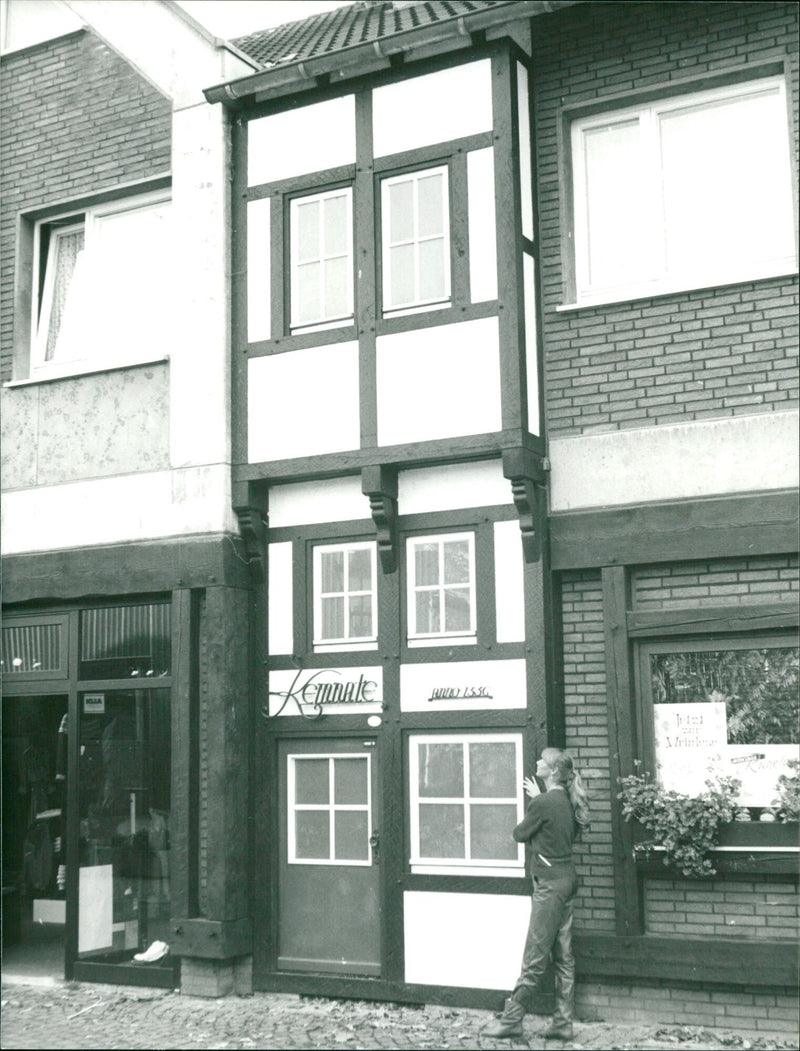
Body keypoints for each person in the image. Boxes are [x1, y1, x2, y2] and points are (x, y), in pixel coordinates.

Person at [484, 747, 590, 1041]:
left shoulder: (543, 803)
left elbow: (519, 834)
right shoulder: (567, 800)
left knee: (535, 952)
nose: (537, 762)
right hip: (567, 881)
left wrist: (536, 801)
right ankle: (562, 1023)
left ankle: (512, 1019)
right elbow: (553, 825)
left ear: (553, 771)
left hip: (550, 886)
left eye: (542, 760)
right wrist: (538, 799)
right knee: (564, 956)